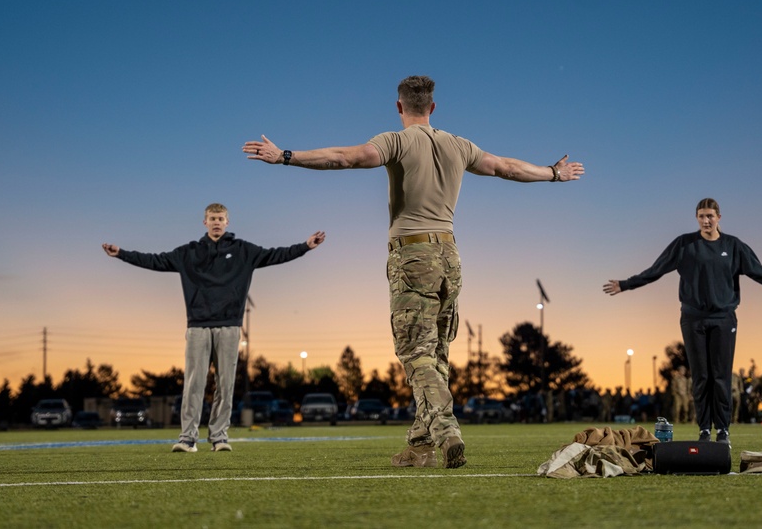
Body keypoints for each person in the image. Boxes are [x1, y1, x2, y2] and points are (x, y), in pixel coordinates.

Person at [242, 75, 584, 468]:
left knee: (415, 352)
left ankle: (445, 429)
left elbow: (345, 157)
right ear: (433, 108)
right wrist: (553, 173)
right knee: (436, 354)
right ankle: (420, 447)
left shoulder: (396, 140)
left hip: (413, 255)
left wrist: (285, 155)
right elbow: (506, 167)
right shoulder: (459, 145)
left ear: (399, 106)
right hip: (450, 256)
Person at [102, 203, 326, 452]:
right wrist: (121, 253)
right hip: (198, 326)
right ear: (205, 222)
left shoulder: (244, 250)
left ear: (227, 222)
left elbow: (277, 254)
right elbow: (155, 261)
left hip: (229, 325)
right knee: (194, 384)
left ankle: (219, 437)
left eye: (220, 218)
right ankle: (188, 438)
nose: (216, 222)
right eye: (212, 218)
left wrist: (306, 247)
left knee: (225, 383)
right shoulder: (188, 252)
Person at [602, 198, 762, 445]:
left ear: (719, 217)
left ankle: (723, 430)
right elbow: (656, 270)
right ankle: (704, 429)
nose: (706, 221)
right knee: (701, 376)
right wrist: (625, 285)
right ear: (696, 218)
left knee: (720, 376)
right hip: (693, 318)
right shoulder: (685, 244)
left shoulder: (734, 246)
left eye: (710, 216)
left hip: (724, 318)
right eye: (701, 216)